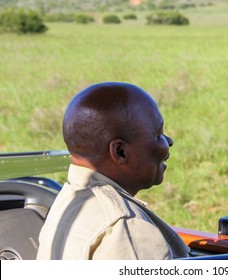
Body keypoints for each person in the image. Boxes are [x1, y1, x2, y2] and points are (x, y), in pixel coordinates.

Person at [37, 82, 190, 259]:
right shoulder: (126, 227)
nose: (168, 141)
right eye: (158, 135)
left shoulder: (65, 202)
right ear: (120, 151)